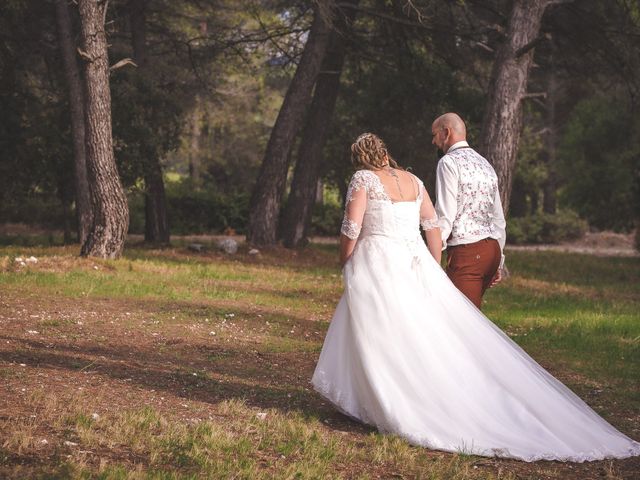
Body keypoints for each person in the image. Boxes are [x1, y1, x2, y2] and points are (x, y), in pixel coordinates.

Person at [311, 132, 640, 462]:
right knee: (418, 330)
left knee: (380, 331)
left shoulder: (363, 178)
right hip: (415, 261)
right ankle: (378, 397)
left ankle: (390, 401)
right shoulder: (414, 180)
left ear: (360, 157)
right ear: (385, 153)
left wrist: (345, 258)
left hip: (378, 260)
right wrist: (432, 264)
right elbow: (432, 226)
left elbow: (352, 228)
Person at [432, 113, 506, 309]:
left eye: (435, 135)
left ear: (446, 132)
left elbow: (445, 215)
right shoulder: (485, 163)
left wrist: (432, 257)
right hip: (492, 251)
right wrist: (499, 260)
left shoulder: (448, 163)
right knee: (470, 322)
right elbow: (498, 218)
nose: (433, 141)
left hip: (468, 252)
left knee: (463, 323)